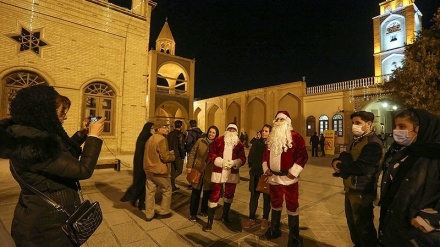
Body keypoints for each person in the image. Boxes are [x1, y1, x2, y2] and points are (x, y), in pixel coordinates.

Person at [0, 85, 105, 247]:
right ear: (43, 112)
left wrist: (81, 135)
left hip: (46, 219)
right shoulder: (34, 145)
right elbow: (82, 170)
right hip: (47, 228)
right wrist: (94, 137)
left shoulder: (28, 135)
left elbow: (61, 156)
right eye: (62, 112)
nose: (65, 117)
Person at [378, 109, 440, 246]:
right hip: (394, 223)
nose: (396, 131)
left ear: (421, 128)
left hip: (418, 233)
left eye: (402, 127)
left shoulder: (435, 156)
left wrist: (430, 219)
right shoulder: (404, 151)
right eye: (395, 126)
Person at [331, 110, 383, 247]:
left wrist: (341, 166)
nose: (354, 125)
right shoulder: (357, 141)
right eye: (353, 123)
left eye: (358, 123)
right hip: (351, 188)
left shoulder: (373, 143)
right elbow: (347, 157)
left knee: (363, 226)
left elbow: (361, 167)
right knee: (353, 224)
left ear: (368, 124)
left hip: (362, 190)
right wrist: (336, 161)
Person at [261, 111, 308, 247]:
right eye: (277, 119)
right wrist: (266, 168)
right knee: (275, 204)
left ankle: (294, 237)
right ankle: (275, 230)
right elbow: (265, 155)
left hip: (289, 179)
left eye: (282, 119)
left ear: (288, 121)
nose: (279, 121)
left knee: (292, 206)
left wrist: (293, 172)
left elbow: (303, 156)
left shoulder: (296, 137)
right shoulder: (271, 137)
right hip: (274, 178)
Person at [202, 123, 246, 231]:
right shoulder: (219, 140)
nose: (231, 131)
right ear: (226, 130)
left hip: (232, 173)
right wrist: (220, 162)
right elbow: (211, 154)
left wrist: (234, 162)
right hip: (219, 172)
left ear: (236, 132)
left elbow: (243, 158)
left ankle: (225, 216)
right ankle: (209, 222)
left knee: (229, 195)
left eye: (233, 129)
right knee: (214, 195)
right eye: (229, 129)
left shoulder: (239, 144)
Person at [144, 119, 175, 221]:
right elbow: (165, 157)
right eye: (165, 127)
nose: (167, 129)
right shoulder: (162, 139)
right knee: (167, 189)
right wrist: (172, 155)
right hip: (159, 170)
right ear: (159, 128)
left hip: (149, 169)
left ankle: (149, 214)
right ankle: (164, 211)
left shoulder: (150, 139)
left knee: (150, 192)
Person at [186, 125, 219, 222]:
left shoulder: (218, 144)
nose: (211, 134)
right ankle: (193, 214)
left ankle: (204, 210)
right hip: (198, 169)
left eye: (213, 132)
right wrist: (189, 166)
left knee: (207, 192)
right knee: (195, 192)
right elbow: (192, 153)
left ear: (216, 134)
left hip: (209, 171)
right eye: (210, 132)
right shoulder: (200, 141)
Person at [243, 124, 272, 230]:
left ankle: (265, 219)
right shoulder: (256, 142)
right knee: (254, 197)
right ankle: (251, 218)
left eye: (266, 131)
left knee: (266, 198)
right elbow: (251, 155)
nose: (264, 132)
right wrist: (252, 168)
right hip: (255, 173)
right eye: (263, 130)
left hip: (266, 175)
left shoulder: (272, 144)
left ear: (270, 133)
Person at [120, 122, 154, 210]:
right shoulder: (148, 136)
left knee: (140, 182)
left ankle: (136, 200)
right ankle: (136, 199)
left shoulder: (142, 135)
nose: (153, 129)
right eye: (152, 128)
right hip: (144, 162)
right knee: (142, 183)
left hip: (139, 162)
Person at [167, 120, 186, 192]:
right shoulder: (180, 134)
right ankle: (170, 180)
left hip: (170, 154)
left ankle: (173, 186)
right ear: (181, 126)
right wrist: (183, 155)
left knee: (173, 170)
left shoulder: (170, 134)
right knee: (179, 170)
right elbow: (181, 146)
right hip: (177, 155)